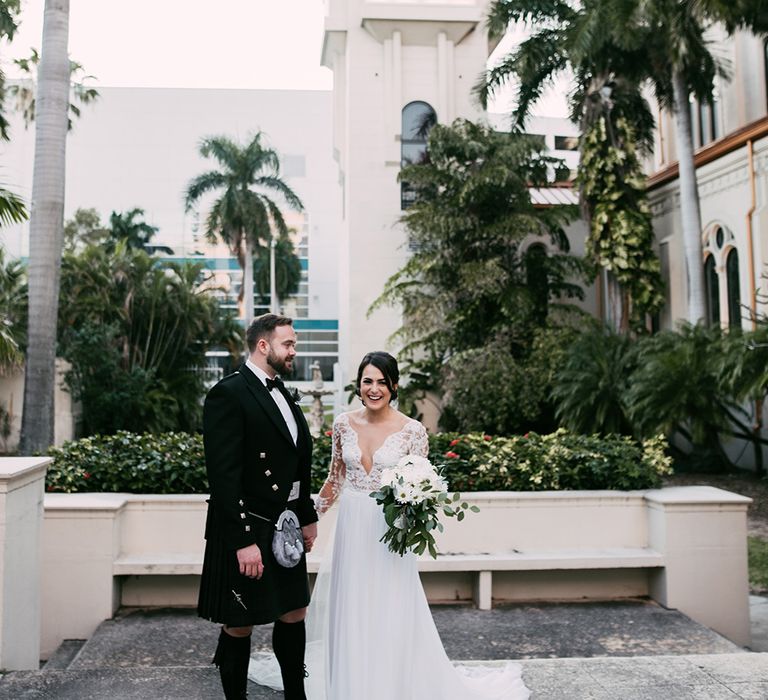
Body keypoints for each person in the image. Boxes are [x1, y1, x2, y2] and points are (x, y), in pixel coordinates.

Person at [302, 351, 530, 699]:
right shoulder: (343, 424)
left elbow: (419, 486)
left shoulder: (412, 431)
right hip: (351, 530)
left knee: (388, 610)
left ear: (394, 386)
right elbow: (335, 480)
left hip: (388, 532)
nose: (374, 389)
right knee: (351, 610)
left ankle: (390, 686)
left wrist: (412, 513)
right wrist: (306, 516)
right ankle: (352, 684)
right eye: (367, 381)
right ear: (358, 385)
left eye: (381, 382)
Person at [198, 314, 318, 700]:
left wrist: (307, 517)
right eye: (288, 344)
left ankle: (295, 694)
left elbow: (299, 461)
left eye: (294, 344)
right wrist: (242, 541)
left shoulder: (283, 391)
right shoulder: (228, 394)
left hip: (283, 526)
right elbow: (224, 477)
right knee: (240, 622)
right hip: (249, 527)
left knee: (294, 610)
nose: (293, 351)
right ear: (263, 345)